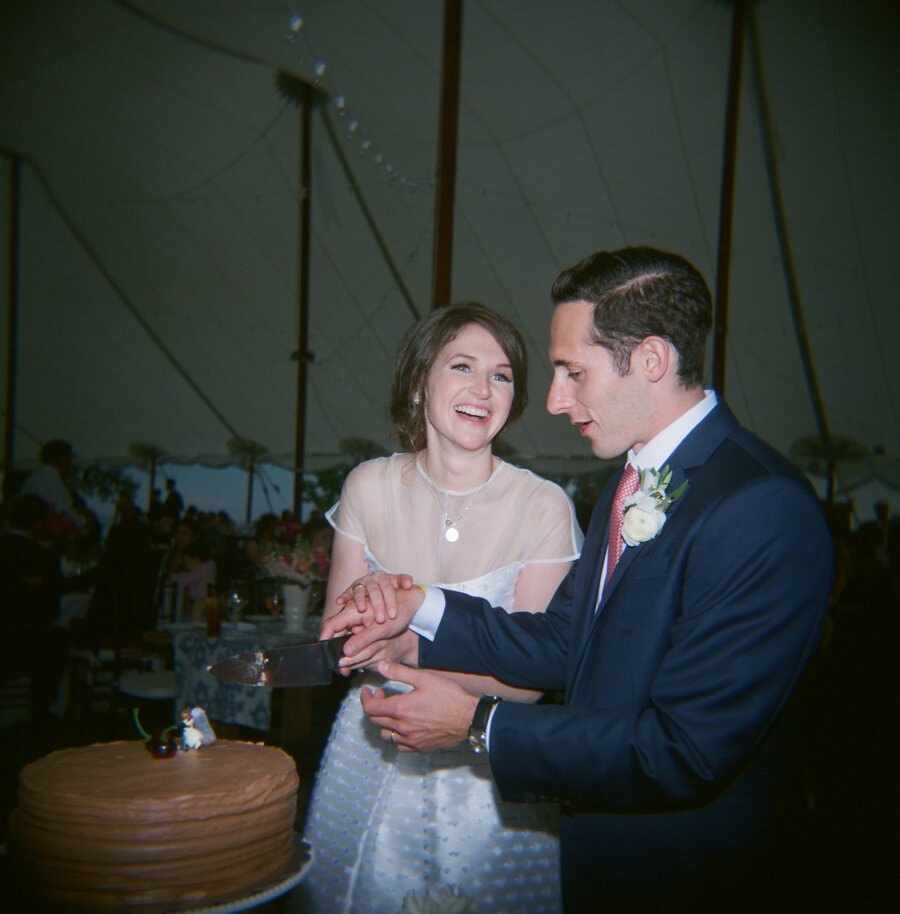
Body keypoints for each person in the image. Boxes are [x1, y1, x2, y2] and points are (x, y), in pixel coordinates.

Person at [323, 248, 833, 913]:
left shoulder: (761, 505)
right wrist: (421, 607)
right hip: (603, 857)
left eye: (572, 372)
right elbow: (567, 640)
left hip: (687, 874)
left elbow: (681, 749)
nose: (556, 400)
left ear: (650, 361)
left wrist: (480, 725)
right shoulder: (630, 480)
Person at [302, 303, 583, 914]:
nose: (484, 389)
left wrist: (402, 643)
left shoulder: (544, 507)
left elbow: (532, 678)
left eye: (503, 375)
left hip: (489, 772)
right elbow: (339, 646)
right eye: (462, 366)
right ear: (417, 382)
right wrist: (365, 611)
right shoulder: (367, 486)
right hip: (375, 745)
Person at [20, 439, 78, 521]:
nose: (71, 463)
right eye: (70, 458)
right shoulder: (52, 481)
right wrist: (84, 522)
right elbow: (62, 513)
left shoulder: (33, 477)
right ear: (63, 460)